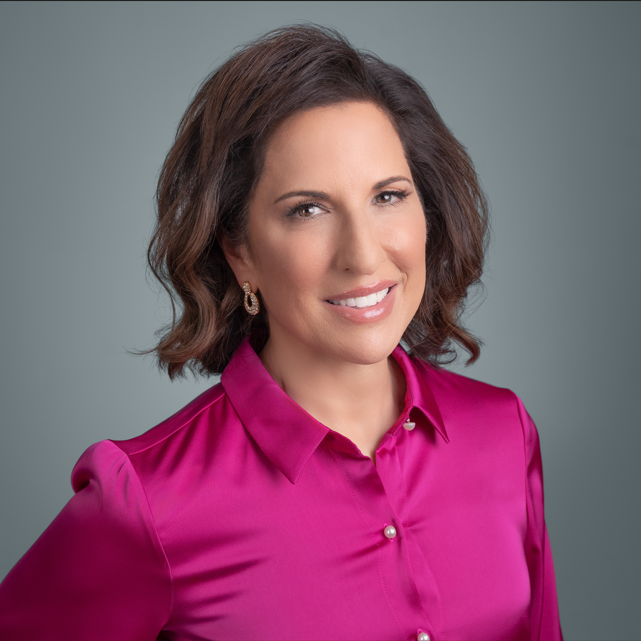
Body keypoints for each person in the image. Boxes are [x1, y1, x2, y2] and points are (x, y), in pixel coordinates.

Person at [0, 25, 563, 641]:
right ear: (238, 252)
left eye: (389, 196)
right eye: (307, 210)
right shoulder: (147, 501)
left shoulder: (503, 434)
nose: (363, 256)